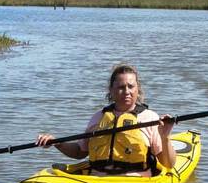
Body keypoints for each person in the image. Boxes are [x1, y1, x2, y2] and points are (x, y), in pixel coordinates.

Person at [37, 63, 176, 176]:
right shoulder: (98, 117)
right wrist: (57, 143)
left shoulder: (150, 118)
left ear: (138, 89)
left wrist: (165, 137)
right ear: (111, 90)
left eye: (131, 86)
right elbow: (80, 152)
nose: (127, 91)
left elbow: (168, 164)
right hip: (98, 182)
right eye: (121, 87)